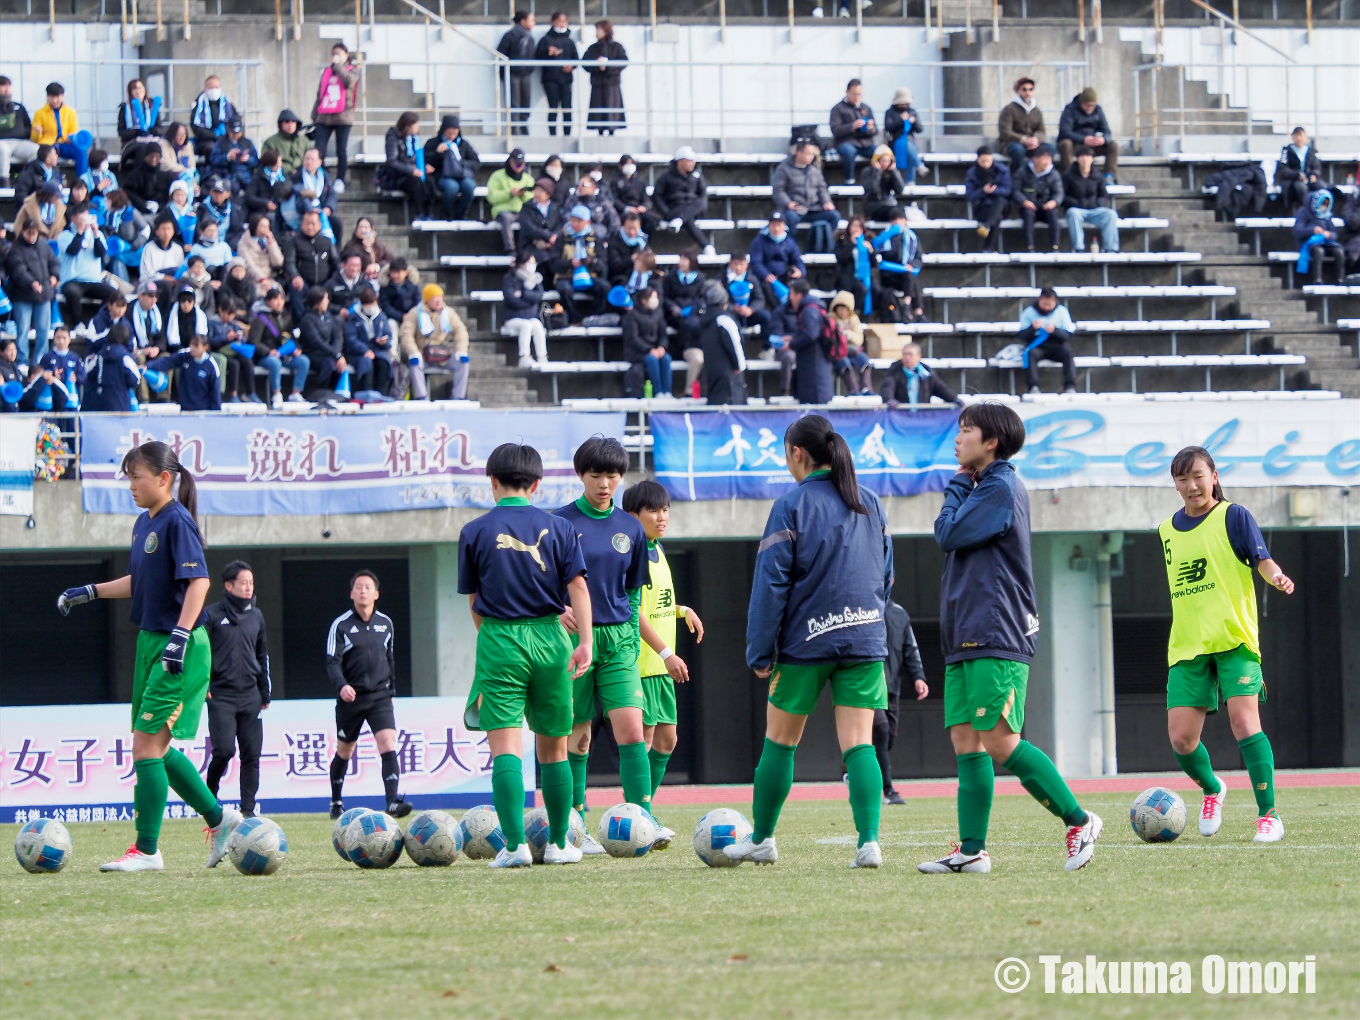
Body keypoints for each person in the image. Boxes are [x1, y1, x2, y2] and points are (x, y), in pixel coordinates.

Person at [920, 401, 1102, 875]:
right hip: (966, 632)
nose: (958, 439)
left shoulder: (1000, 486)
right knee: (966, 741)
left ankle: (1079, 820)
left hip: (995, 629)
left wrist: (958, 482)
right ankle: (972, 850)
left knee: (1000, 741)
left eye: (966, 431)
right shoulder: (984, 486)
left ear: (992, 441)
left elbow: (947, 532)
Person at [57, 440, 242, 872]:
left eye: (137, 477)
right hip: (150, 641)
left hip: (179, 646)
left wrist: (179, 636)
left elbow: (200, 584)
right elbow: (138, 581)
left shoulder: (178, 521)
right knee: (154, 747)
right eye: (128, 478)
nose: (131, 485)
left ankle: (147, 850)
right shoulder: (145, 523)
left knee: (145, 747)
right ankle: (220, 819)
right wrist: (91, 592)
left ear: (164, 478)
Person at [726, 415, 891, 868]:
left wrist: (760, 652)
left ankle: (761, 840)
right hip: (864, 638)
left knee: (779, 743)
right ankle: (869, 842)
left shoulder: (791, 505)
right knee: (860, 744)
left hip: (805, 643)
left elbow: (770, 586)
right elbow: (885, 575)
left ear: (797, 454)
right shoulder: (871, 503)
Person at [458, 442, 593, 867]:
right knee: (553, 749)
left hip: (500, 640)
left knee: (506, 751)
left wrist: (494, 636)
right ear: (536, 484)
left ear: (492, 482)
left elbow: (474, 600)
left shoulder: (475, 531)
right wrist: (585, 641)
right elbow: (579, 588)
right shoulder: (561, 528)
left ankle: (514, 847)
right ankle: (557, 845)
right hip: (553, 639)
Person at [1159, 446, 1294, 845]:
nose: (1191, 485)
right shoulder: (1166, 530)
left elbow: (1261, 560)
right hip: (1187, 645)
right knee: (1181, 739)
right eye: (1182, 479)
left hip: (1234, 639)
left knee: (1244, 721)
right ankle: (1213, 789)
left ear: (1214, 476)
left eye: (1198, 476)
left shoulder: (1234, 516)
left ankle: (1268, 816)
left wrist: (1278, 576)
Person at [554, 437, 660, 849]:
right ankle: (575, 825)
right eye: (595, 474)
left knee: (632, 730)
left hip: (618, 641)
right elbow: (541, 584)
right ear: (581, 474)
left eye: (612, 475)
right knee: (577, 735)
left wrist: (632, 641)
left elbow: (633, 594)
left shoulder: (631, 527)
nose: (604, 483)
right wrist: (555, 610)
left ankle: (644, 820)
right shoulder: (560, 524)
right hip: (572, 640)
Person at [624, 479, 705, 828]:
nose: (662, 516)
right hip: (641, 663)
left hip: (659, 664)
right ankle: (636, 817)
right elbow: (632, 610)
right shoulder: (631, 552)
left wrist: (681, 609)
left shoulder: (657, 548)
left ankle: (643, 812)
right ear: (632, 515)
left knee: (667, 740)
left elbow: (656, 604)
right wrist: (668, 651)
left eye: (665, 509)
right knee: (642, 739)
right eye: (653, 510)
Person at [325, 569, 411, 819]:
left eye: (368, 587)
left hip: (380, 697)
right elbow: (332, 661)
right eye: (359, 587)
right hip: (350, 699)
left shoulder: (386, 624)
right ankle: (336, 801)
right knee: (345, 751)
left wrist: (392, 691)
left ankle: (392, 801)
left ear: (376, 594)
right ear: (352, 594)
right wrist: (342, 686)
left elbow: (390, 658)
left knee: (387, 742)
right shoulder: (341, 625)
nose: (363, 590)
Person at [203, 561, 270, 818]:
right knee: (224, 750)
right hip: (221, 695)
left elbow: (262, 654)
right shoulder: (211, 615)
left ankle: (248, 810)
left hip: (251, 695)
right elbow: (201, 654)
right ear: (229, 585)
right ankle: (209, 793)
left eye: (251, 583)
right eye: (243, 582)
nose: (248, 587)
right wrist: (204, 685)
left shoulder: (257, 616)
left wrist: (265, 691)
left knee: (251, 754)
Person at [878, 598, 927, 805]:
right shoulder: (863, 606)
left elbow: (910, 648)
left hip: (892, 689)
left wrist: (918, 677)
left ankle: (856, 775)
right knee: (879, 733)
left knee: (888, 739)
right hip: (868, 688)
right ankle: (888, 791)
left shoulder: (899, 613)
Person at [399, 283, 469, 399]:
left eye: (440, 297)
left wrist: (461, 350)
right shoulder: (415, 313)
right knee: (415, 363)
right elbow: (406, 334)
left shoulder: (448, 313)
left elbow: (460, 330)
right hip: (422, 354)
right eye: (434, 298)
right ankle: (421, 396)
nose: (438, 301)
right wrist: (413, 352)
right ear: (427, 300)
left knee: (463, 363)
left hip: (442, 355)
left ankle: (458, 396)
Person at [5, 219, 58, 367]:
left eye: (34, 234)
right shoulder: (15, 249)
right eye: (29, 233)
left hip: (44, 294)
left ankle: (40, 361)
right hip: (23, 296)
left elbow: (53, 262)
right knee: (23, 330)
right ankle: (23, 362)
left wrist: (54, 275)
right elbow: (18, 270)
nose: (32, 237)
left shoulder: (43, 246)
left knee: (43, 330)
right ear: (23, 232)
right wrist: (31, 282)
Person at [772, 140, 839, 254]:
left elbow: (822, 189)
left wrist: (827, 202)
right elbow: (778, 190)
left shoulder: (815, 170)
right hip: (795, 209)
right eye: (808, 154)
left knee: (834, 216)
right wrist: (788, 203)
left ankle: (829, 247)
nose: (811, 157)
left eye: (813, 154)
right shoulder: (783, 169)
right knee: (789, 218)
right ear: (799, 153)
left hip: (814, 208)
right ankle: (792, 250)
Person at [56, 203, 114, 326]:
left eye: (86, 218)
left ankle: (98, 321)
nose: (85, 221)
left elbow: (101, 253)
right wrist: (80, 232)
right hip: (73, 280)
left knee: (114, 295)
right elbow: (72, 250)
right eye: (81, 218)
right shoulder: (64, 236)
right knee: (72, 293)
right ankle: (78, 324)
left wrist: (96, 233)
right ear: (73, 218)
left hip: (93, 280)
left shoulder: (97, 235)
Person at [251, 286, 307, 406]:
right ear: (268, 301)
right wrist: (268, 351)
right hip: (265, 356)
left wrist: (296, 349)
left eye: (281, 299)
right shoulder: (260, 319)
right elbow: (254, 341)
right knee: (274, 362)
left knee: (304, 361)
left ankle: (295, 393)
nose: (279, 302)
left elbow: (292, 336)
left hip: (283, 355)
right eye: (275, 299)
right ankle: (277, 394)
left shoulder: (286, 317)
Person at [551, 205, 607, 323]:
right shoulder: (561, 238)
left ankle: (594, 318)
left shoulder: (595, 238)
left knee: (604, 287)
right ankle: (574, 319)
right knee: (564, 289)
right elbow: (553, 263)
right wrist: (570, 263)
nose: (575, 223)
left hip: (589, 276)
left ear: (588, 222)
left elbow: (602, 262)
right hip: (566, 276)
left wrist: (590, 262)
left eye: (579, 221)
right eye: (573, 220)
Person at [313, 42, 360, 183]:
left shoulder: (353, 70)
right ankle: (322, 177)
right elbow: (320, 94)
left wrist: (338, 66)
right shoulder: (327, 72)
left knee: (341, 149)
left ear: (346, 55)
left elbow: (348, 81)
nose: (336, 56)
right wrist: (314, 115)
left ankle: (340, 179)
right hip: (324, 115)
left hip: (343, 116)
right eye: (334, 54)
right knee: (319, 149)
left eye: (339, 53)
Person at [782, 279, 833, 404]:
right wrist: (794, 337)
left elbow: (811, 334)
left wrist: (791, 344)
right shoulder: (812, 307)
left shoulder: (809, 310)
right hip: (814, 361)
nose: (790, 298)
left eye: (791, 294)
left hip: (814, 363)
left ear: (799, 295)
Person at [1017, 286, 1077, 394]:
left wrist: (1055, 331)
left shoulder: (1062, 311)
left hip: (1056, 346)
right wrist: (1032, 328)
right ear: (1039, 300)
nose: (1046, 307)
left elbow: (1068, 335)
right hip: (1037, 346)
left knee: (1068, 352)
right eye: (1044, 304)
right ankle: (1033, 387)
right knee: (1030, 354)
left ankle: (1070, 386)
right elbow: (1021, 335)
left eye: (1049, 305)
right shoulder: (1029, 312)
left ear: (1055, 302)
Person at [653, 146, 712, 253]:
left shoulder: (697, 177)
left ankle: (679, 220)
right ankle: (706, 246)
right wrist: (666, 212)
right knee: (688, 219)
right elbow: (657, 196)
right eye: (689, 160)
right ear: (680, 161)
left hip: (693, 209)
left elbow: (703, 194)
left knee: (700, 202)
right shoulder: (666, 177)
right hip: (674, 209)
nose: (692, 163)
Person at [283, 209, 339, 320]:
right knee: (295, 289)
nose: (310, 227)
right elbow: (289, 262)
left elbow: (336, 262)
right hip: (304, 282)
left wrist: (335, 279)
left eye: (313, 224)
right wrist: (295, 276)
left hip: (325, 283)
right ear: (302, 224)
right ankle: (301, 323)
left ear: (319, 225)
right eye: (307, 224)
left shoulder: (327, 242)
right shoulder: (293, 241)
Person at [1062, 145, 1119, 253]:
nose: (1085, 159)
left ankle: (1111, 248)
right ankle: (1079, 248)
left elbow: (1103, 195)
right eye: (1082, 156)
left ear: (1092, 159)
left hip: (1094, 210)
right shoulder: (1068, 176)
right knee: (1073, 214)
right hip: (1077, 209)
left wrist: (1098, 203)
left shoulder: (1098, 176)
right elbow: (1062, 196)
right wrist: (1074, 203)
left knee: (1111, 214)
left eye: (1088, 156)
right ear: (1077, 158)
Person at [699, 279, 747, 404]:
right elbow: (733, 344)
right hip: (728, 373)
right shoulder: (724, 319)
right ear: (725, 302)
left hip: (712, 370)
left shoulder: (706, 320)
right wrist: (738, 365)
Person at [872, 207, 925, 320]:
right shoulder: (885, 237)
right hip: (889, 276)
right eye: (894, 220)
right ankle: (917, 313)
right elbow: (880, 255)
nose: (897, 222)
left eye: (900, 219)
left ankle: (908, 308)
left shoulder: (912, 237)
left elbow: (919, 257)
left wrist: (912, 265)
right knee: (911, 279)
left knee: (910, 276)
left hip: (904, 277)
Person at [1056, 87, 1118, 182]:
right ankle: (1068, 176)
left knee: (1113, 145)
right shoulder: (1070, 109)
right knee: (1065, 144)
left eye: (1092, 105)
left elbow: (1107, 131)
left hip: (1092, 146)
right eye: (1087, 105)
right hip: (1075, 144)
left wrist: (1103, 139)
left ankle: (1109, 176)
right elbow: (1065, 131)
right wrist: (1083, 139)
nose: (1090, 108)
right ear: (1081, 103)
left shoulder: (1098, 110)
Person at [425, 115, 480, 220]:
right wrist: (437, 153)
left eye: (454, 133)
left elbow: (476, 162)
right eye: (449, 133)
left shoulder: (463, 144)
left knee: (469, 186)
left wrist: (461, 163)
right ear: (443, 130)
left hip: (462, 175)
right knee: (451, 187)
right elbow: (427, 162)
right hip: (442, 176)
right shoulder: (433, 143)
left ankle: (461, 214)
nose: (451, 136)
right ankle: (447, 213)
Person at [749, 210, 806, 310]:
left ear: (784, 226)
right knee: (765, 287)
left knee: (799, 283)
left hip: (784, 275)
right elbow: (755, 262)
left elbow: (797, 260)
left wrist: (800, 271)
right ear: (769, 225)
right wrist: (765, 274)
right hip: (767, 278)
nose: (776, 228)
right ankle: (778, 310)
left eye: (779, 225)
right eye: (773, 225)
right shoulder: (759, 241)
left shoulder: (790, 242)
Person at [31, 82, 91, 177]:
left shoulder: (71, 112)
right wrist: (37, 132)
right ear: (47, 96)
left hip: (65, 144)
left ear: (62, 96)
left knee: (81, 151)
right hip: (48, 145)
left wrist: (70, 138)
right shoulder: (40, 113)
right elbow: (35, 139)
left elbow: (74, 131)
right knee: (49, 155)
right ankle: (53, 180)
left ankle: (83, 180)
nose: (54, 100)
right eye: (51, 97)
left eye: (57, 97)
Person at [378, 113, 429, 222]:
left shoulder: (414, 138)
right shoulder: (393, 137)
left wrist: (424, 167)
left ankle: (429, 213)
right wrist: (411, 171)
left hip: (412, 172)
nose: (417, 127)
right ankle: (420, 214)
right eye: (415, 125)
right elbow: (392, 161)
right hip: (397, 177)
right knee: (416, 183)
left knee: (431, 181)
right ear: (407, 126)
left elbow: (415, 158)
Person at [1014, 144, 1063, 252]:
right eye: (1044, 159)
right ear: (1035, 159)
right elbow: (1016, 190)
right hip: (1029, 206)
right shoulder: (1022, 172)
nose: (1047, 162)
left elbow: (1059, 193)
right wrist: (1024, 201)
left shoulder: (1054, 174)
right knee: (1028, 214)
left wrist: (1054, 202)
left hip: (1046, 206)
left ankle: (1055, 248)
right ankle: (1029, 247)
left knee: (1053, 214)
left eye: (1049, 159)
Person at [81, 323, 142, 411]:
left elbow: (86, 374)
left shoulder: (99, 356)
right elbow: (135, 380)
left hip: (98, 404)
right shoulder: (125, 358)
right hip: (120, 405)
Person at [623, 284, 670, 397]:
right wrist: (649, 349)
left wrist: (661, 347)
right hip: (638, 352)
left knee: (666, 359)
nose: (655, 300)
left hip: (655, 349)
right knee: (652, 360)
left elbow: (663, 334)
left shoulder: (658, 313)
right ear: (644, 300)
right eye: (652, 297)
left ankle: (667, 392)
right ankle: (658, 391)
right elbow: (633, 339)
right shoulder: (632, 315)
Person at [347, 285, 396, 394]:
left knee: (384, 362)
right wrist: (364, 350)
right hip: (359, 353)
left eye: (372, 304)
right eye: (368, 305)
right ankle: (367, 392)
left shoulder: (381, 316)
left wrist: (384, 342)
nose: (370, 307)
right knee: (366, 363)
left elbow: (388, 335)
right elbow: (351, 339)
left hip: (378, 350)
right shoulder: (354, 318)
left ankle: (382, 393)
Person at [503, 251, 548, 367]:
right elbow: (511, 299)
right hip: (513, 318)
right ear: (522, 264)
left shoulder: (535, 279)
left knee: (537, 325)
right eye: (530, 263)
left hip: (530, 317)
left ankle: (542, 356)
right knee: (526, 325)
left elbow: (539, 296)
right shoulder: (509, 278)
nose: (533, 265)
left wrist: (523, 294)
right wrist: (530, 302)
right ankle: (524, 356)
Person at [829, 79, 877, 185]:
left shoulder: (866, 108)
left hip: (866, 143)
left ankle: (878, 181)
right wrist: (852, 126)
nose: (857, 97)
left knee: (881, 152)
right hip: (845, 142)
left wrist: (871, 128)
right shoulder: (837, 109)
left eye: (859, 94)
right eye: (854, 94)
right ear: (847, 92)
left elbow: (876, 130)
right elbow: (835, 130)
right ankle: (849, 180)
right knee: (849, 152)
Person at [538, 11, 579, 136]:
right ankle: (552, 135)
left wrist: (572, 66)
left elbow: (576, 59)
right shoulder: (545, 40)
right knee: (553, 108)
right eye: (560, 21)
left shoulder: (570, 41)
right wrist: (548, 52)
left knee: (567, 108)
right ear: (553, 22)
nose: (562, 24)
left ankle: (567, 134)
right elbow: (537, 57)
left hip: (566, 79)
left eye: (564, 21)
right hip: (550, 79)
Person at [583, 20, 627, 135]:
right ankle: (600, 132)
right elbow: (585, 63)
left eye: (599, 29)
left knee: (612, 110)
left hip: (612, 83)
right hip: (598, 83)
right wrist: (597, 66)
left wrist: (608, 66)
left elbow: (623, 61)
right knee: (598, 111)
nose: (596, 32)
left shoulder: (617, 47)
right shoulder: (593, 48)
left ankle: (612, 132)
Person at [1293, 188, 1345, 285]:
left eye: (1326, 204)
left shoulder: (1327, 216)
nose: (1323, 206)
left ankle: (1340, 279)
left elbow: (1334, 233)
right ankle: (1317, 279)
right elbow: (1297, 231)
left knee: (1339, 251)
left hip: (1325, 242)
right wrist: (1312, 230)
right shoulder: (1303, 212)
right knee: (1318, 251)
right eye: (1322, 203)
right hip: (1309, 243)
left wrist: (1329, 234)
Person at [880, 342, 957, 407]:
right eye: (905, 354)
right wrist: (889, 400)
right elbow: (887, 387)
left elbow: (941, 388)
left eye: (910, 354)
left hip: (921, 416)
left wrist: (954, 399)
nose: (907, 357)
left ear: (919, 356)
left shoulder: (926, 372)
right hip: (901, 415)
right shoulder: (894, 370)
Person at [497, 11, 537, 136]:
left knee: (526, 101)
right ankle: (515, 129)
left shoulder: (529, 37)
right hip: (513, 73)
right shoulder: (510, 36)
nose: (533, 23)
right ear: (522, 21)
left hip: (526, 73)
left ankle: (523, 127)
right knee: (514, 102)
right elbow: (501, 55)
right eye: (531, 20)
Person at [964, 146, 1011, 251]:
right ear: (977, 160)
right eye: (983, 161)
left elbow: (1007, 190)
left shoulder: (1002, 171)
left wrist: (994, 191)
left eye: (988, 161)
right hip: (983, 207)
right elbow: (970, 196)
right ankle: (988, 248)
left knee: (1000, 200)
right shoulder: (972, 174)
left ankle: (987, 226)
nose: (985, 164)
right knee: (997, 217)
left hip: (1001, 205)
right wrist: (983, 191)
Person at [487, 149, 534, 253]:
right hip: (504, 210)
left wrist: (523, 195)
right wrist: (509, 194)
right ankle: (510, 249)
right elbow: (491, 197)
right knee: (506, 218)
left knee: (532, 219)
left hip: (522, 211)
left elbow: (534, 198)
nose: (520, 168)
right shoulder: (497, 176)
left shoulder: (528, 179)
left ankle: (527, 250)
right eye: (517, 165)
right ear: (510, 162)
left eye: (522, 165)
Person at [293, 147, 344, 242]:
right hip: (305, 212)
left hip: (322, 211)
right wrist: (311, 210)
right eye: (306, 159)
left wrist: (328, 208)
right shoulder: (297, 176)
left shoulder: (325, 176)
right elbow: (299, 197)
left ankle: (335, 251)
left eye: (312, 159)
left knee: (337, 223)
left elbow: (331, 195)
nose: (309, 162)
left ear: (319, 162)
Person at [662, 247, 706, 352]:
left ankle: (692, 349)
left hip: (693, 313)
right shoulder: (671, 277)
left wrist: (693, 309)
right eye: (681, 259)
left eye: (685, 260)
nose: (681, 262)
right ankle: (683, 350)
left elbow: (702, 298)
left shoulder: (700, 279)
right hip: (673, 313)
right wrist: (673, 307)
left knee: (694, 323)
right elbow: (664, 296)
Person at [998, 77, 1045, 175]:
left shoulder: (1036, 110)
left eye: (1030, 89)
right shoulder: (1009, 109)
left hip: (1032, 144)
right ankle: (1017, 178)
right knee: (1018, 150)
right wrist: (1023, 139)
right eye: (1024, 89)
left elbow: (1041, 131)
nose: (1028, 92)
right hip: (1010, 143)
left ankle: (1041, 178)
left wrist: (1035, 139)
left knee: (1049, 149)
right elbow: (1005, 132)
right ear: (1017, 91)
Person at [829, 290, 872, 394]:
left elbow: (859, 339)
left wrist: (849, 335)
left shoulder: (853, 319)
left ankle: (867, 388)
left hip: (852, 349)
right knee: (844, 363)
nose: (843, 312)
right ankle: (854, 390)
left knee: (864, 360)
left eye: (845, 309)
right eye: (840, 309)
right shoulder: (830, 318)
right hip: (837, 351)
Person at [0, 76, 37, 187]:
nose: (7, 89)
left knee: (36, 150)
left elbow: (28, 126)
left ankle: (30, 180)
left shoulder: (19, 107)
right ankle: (4, 182)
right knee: (3, 149)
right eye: (3, 85)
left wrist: (24, 132)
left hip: (20, 142)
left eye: (8, 86)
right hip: (2, 143)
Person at [884, 87, 927, 181]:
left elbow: (920, 129)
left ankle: (911, 180)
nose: (904, 105)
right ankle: (918, 166)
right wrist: (900, 120)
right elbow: (888, 127)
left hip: (909, 140)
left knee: (909, 147)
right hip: (895, 140)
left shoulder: (912, 112)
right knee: (906, 146)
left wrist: (914, 122)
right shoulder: (890, 112)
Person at [1275, 127, 1322, 211]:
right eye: (1296, 136)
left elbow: (1316, 166)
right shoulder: (1286, 151)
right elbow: (1282, 169)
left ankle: (1320, 212)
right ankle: (1305, 211)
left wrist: (1314, 174)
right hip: (1293, 180)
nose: (1299, 138)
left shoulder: (1310, 151)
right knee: (1301, 188)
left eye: (1301, 135)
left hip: (1308, 178)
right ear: (1292, 137)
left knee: (1321, 187)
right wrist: (1296, 175)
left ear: (1305, 137)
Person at [190, 76, 238, 157]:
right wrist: (214, 136)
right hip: (206, 141)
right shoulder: (198, 106)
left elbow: (236, 120)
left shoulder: (228, 104)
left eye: (216, 87)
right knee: (212, 148)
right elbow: (196, 127)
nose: (214, 90)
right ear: (206, 88)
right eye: (211, 88)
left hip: (227, 138)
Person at [239, 213, 284, 298]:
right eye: (263, 226)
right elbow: (249, 264)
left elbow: (278, 262)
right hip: (253, 280)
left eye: (268, 227)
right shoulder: (243, 243)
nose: (266, 229)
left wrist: (272, 244)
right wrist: (262, 279)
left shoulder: (269, 240)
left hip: (270, 278)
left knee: (278, 294)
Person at [208, 118, 258, 193]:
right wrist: (227, 157)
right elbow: (213, 160)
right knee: (233, 188)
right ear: (228, 129)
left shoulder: (248, 143)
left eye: (238, 132)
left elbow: (256, 161)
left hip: (246, 176)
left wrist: (248, 159)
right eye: (233, 132)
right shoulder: (221, 143)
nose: (236, 135)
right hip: (228, 176)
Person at [609, 155, 656, 234]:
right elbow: (614, 199)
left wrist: (644, 206)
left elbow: (646, 198)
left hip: (639, 210)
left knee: (651, 220)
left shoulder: (639, 181)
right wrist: (626, 208)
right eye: (627, 164)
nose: (629, 166)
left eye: (631, 164)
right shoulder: (615, 181)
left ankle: (646, 243)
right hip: (624, 211)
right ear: (620, 166)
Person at [860, 145, 906, 222]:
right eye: (883, 161)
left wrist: (894, 171)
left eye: (888, 161)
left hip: (888, 204)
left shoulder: (890, 173)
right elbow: (873, 190)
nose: (885, 164)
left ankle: (899, 232)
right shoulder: (867, 172)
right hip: (873, 207)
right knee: (895, 212)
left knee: (901, 211)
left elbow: (900, 190)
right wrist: (877, 172)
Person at [604, 212, 650, 287]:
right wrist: (631, 259)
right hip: (621, 275)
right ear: (623, 226)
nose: (632, 232)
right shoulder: (615, 240)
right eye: (629, 228)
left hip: (640, 271)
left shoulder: (643, 240)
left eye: (635, 228)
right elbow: (615, 266)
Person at [569, 172, 620, 236]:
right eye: (578, 185)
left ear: (593, 188)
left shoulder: (601, 201)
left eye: (583, 185)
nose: (579, 187)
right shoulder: (573, 200)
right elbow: (566, 218)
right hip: (575, 235)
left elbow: (614, 220)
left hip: (598, 237)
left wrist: (608, 238)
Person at [262, 109, 308, 175]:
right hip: (279, 175)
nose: (290, 125)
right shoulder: (271, 142)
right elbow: (266, 161)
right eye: (287, 122)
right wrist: (290, 170)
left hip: (302, 174)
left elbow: (312, 158)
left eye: (293, 122)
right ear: (280, 124)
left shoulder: (303, 140)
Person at [116, 78, 160, 146]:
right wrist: (136, 133)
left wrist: (154, 131)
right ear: (130, 92)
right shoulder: (125, 108)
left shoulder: (152, 106)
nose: (138, 91)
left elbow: (160, 128)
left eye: (140, 88)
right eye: (134, 88)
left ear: (145, 89)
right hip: (132, 142)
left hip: (151, 141)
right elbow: (121, 132)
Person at [13, 143, 59, 208]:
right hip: (30, 215)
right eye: (55, 154)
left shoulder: (55, 172)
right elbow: (21, 198)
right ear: (48, 159)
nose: (57, 156)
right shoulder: (27, 174)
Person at [379, 256, 420, 323]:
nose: (395, 275)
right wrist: (401, 316)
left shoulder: (413, 286)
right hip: (393, 318)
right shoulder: (385, 287)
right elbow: (386, 306)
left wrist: (409, 315)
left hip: (411, 317)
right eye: (393, 272)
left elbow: (417, 302)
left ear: (406, 273)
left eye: (398, 272)